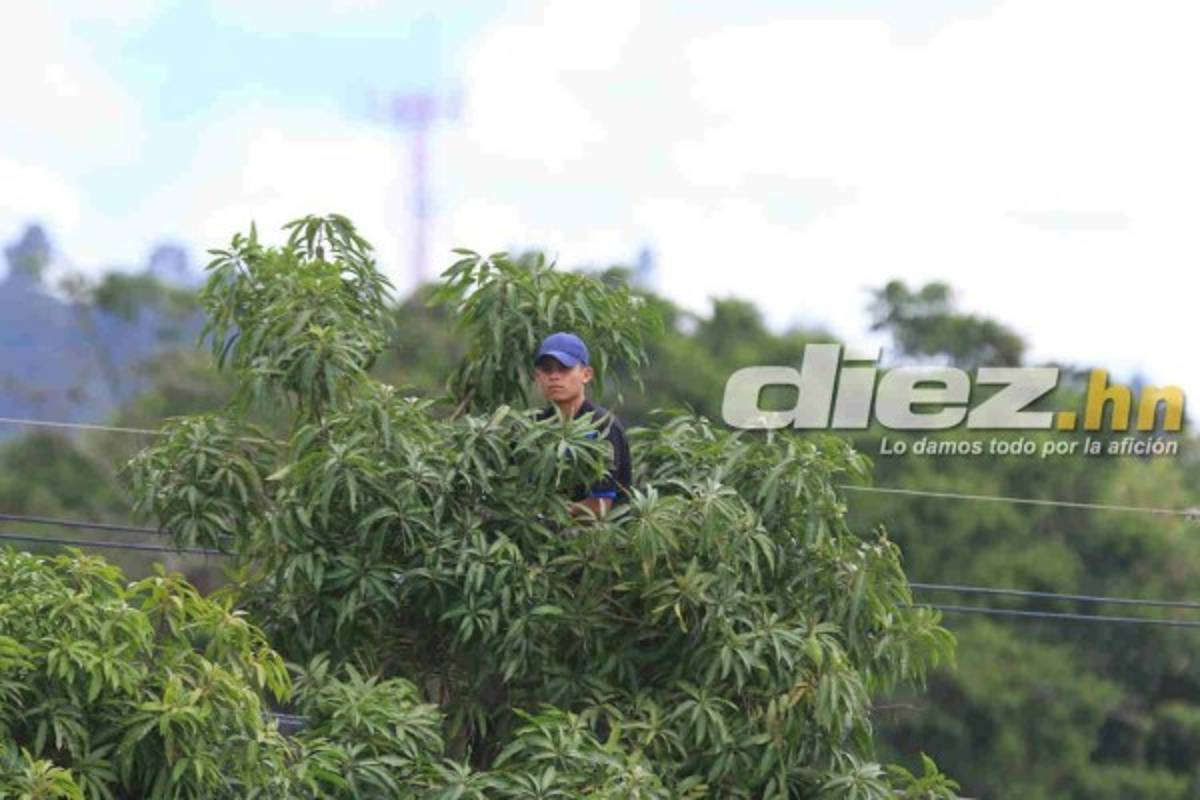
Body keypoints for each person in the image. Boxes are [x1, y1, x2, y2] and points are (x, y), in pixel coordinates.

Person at [532, 332, 631, 519]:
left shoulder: (602, 426)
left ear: (586, 375)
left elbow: (601, 505)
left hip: (596, 541)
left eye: (564, 369)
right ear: (538, 377)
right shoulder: (534, 426)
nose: (554, 376)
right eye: (547, 370)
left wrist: (548, 516)